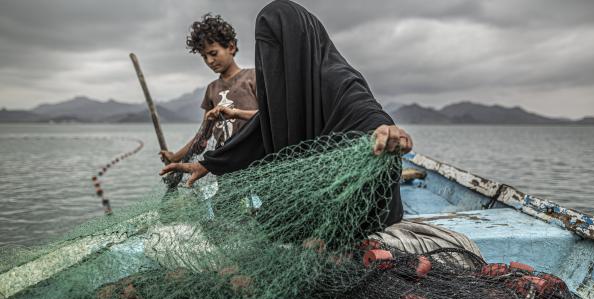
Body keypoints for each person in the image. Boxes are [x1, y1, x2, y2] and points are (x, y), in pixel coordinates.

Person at [160, 0, 413, 226]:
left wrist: (385, 129)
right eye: (265, 51)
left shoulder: (337, 78)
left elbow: (365, 111)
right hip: (310, 198)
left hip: (350, 203)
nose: (272, 59)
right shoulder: (280, 89)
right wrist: (210, 163)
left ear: (299, 42)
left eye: (279, 48)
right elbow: (262, 127)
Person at [160, 13, 258, 164]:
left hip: (256, 160)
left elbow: (270, 117)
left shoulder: (253, 77)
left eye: (213, 53)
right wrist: (175, 157)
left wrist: (236, 113)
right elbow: (203, 137)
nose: (210, 61)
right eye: (204, 57)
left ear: (231, 47)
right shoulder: (212, 89)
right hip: (226, 165)